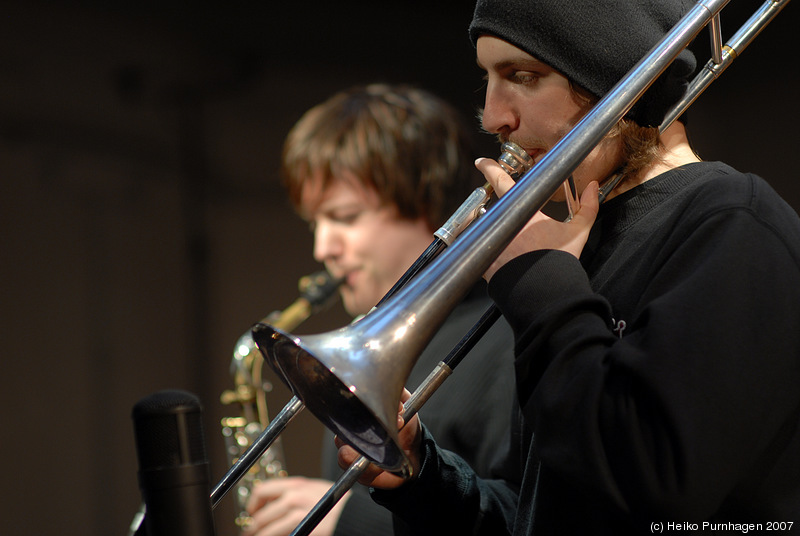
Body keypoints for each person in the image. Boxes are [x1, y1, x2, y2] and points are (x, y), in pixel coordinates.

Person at [336, 1, 800, 534]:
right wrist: (423, 478)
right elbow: (548, 511)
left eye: (524, 76)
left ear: (615, 77)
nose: (493, 118)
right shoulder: (580, 242)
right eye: (488, 79)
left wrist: (541, 289)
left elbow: (655, 485)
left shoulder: (731, 222)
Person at [243, 83, 517, 536]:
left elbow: (523, 519)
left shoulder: (505, 336)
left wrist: (346, 522)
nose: (322, 247)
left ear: (427, 204)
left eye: (346, 217)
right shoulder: (360, 340)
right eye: (316, 223)